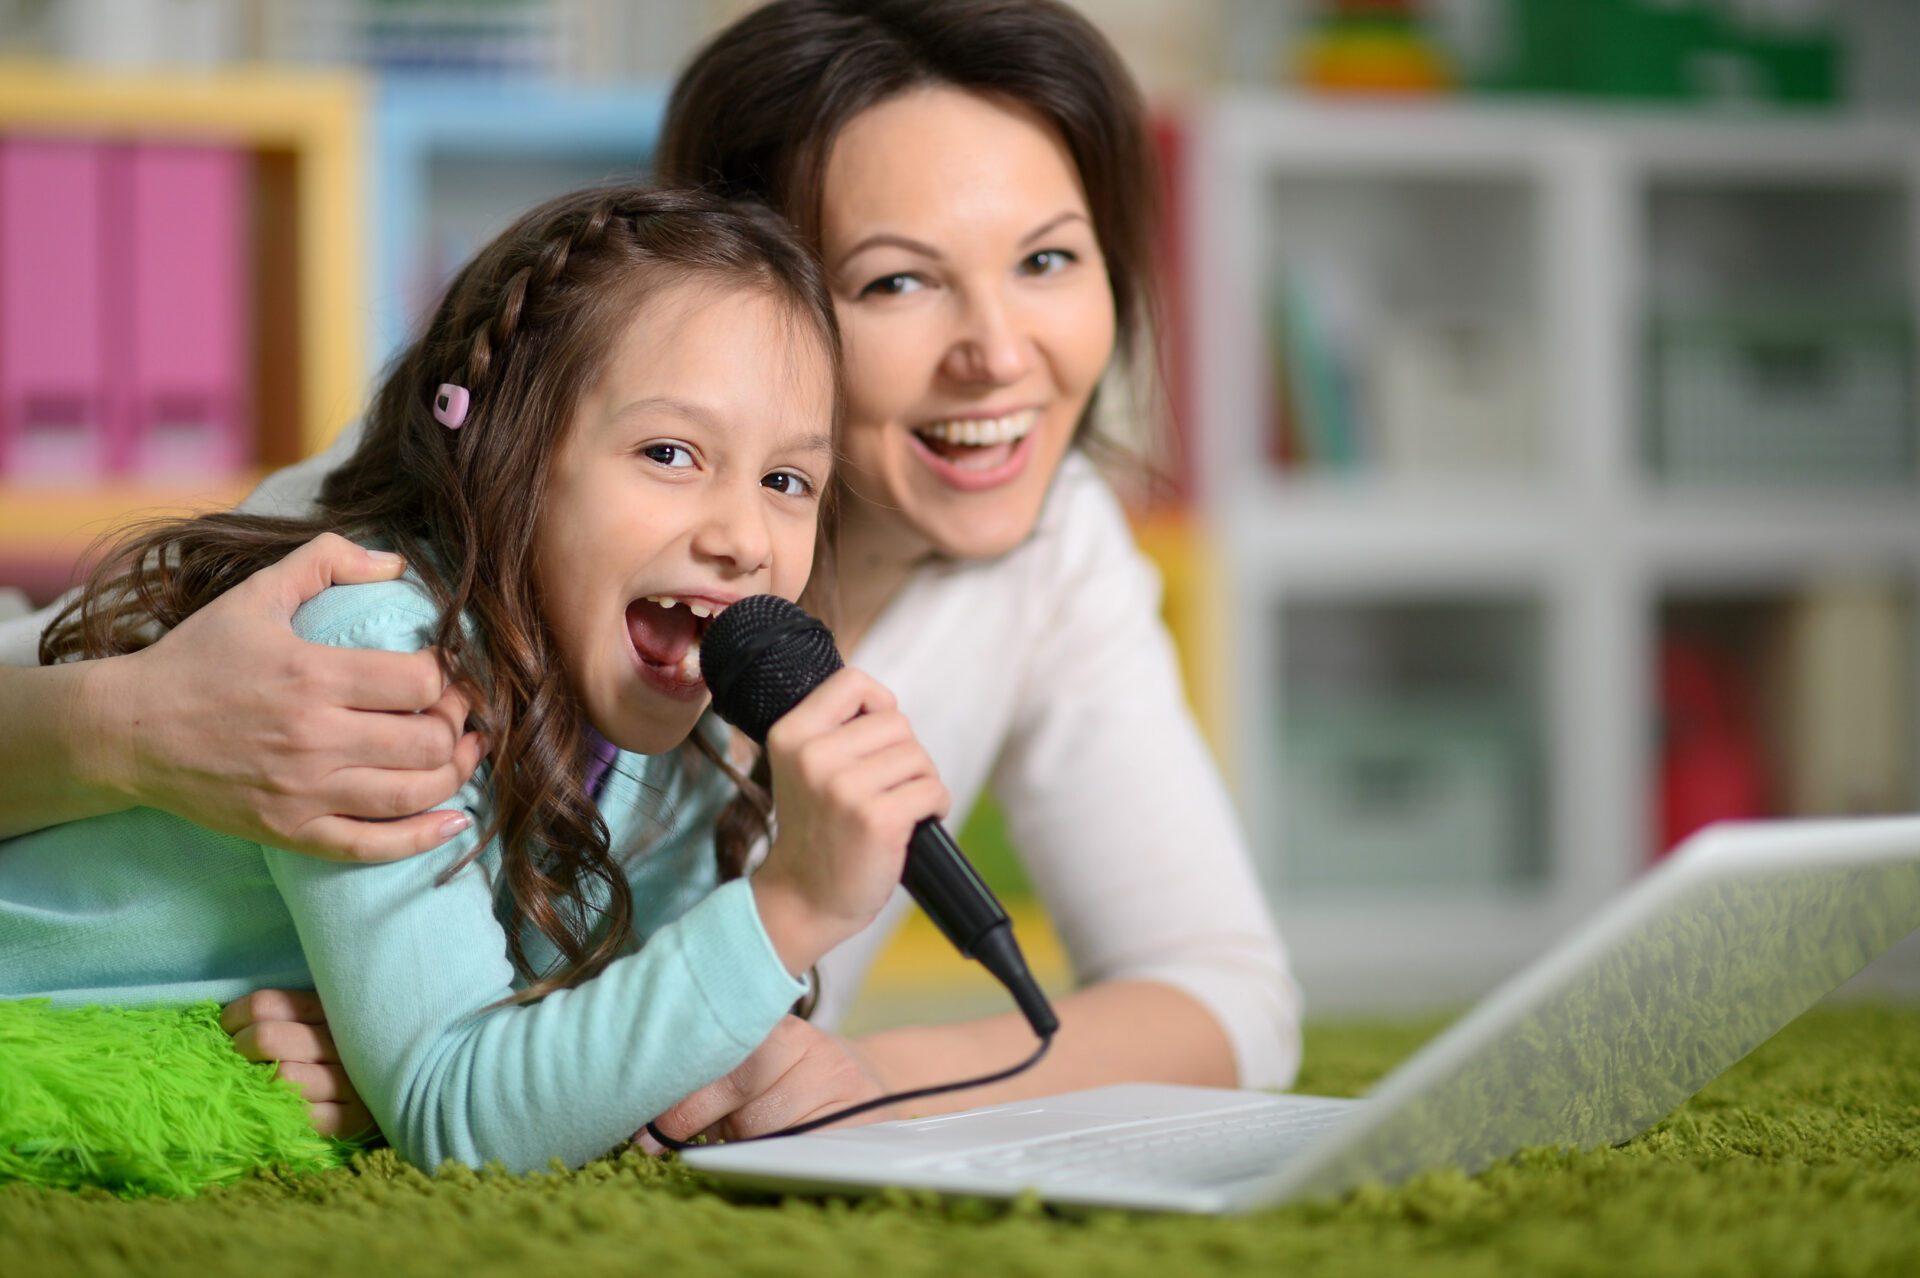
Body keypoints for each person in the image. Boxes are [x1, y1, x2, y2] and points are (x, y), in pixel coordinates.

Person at [0, 0, 1301, 1146]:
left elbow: (1231, 993)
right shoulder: (415, 539)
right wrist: (126, 725)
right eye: (899, 281)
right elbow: (463, 1086)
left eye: (1049, 258)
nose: (999, 355)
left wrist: (864, 1082)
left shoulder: (1051, 545)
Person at [0, 184, 952, 1171]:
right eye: (670, 453)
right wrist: (795, 906)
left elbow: (608, 1040)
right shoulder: (383, 657)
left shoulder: (676, 738)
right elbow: (462, 1121)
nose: (744, 538)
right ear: (508, 452)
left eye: (787, 481)